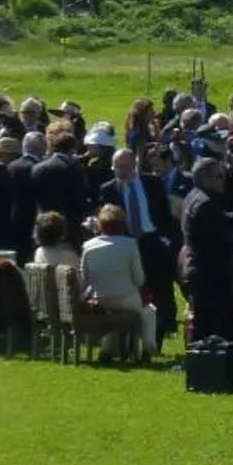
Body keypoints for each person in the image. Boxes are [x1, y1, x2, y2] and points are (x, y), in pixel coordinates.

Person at [99, 147, 179, 351]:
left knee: (160, 292)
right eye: (118, 167)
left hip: (152, 242)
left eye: (126, 167)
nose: (122, 171)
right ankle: (128, 341)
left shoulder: (152, 183)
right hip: (124, 245)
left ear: (134, 165)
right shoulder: (108, 190)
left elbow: (165, 214)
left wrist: (166, 239)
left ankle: (156, 341)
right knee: (131, 292)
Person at [78, 203, 156, 359]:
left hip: (100, 298)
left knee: (114, 313)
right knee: (150, 312)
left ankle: (110, 349)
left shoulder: (88, 246)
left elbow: (84, 278)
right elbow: (139, 278)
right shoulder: (130, 245)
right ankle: (148, 348)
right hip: (126, 297)